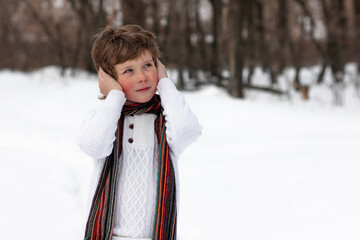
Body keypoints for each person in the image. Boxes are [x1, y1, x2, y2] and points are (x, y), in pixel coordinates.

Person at [77, 24, 202, 240]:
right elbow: (94, 145)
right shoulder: (105, 118)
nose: (142, 77)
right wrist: (115, 97)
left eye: (147, 65)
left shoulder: (166, 119)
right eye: (128, 70)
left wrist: (164, 83)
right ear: (109, 78)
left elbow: (187, 131)